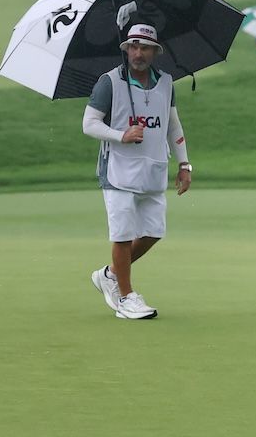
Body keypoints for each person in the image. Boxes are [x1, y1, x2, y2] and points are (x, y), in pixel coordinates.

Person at [81, 22, 193, 321]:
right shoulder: (110, 82)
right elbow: (89, 124)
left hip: (153, 169)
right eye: (133, 46)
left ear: (155, 51)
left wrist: (184, 164)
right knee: (122, 234)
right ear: (126, 49)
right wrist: (121, 135)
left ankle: (109, 274)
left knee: (153, 232)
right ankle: (126, 297)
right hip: (117, 171)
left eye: (144, 47)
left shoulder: (166, 82)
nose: (138, 53)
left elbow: (173, 125)